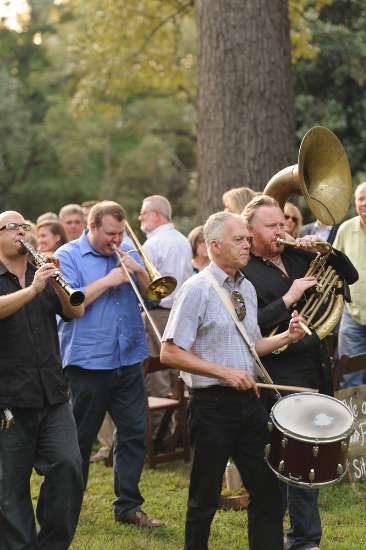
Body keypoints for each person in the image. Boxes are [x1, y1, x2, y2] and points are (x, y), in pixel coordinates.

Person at [160, 211, 308, 550]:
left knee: (269, 490)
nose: (247, 245)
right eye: (238, 240)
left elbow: (251, 345)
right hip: (211, 407)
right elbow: (169, 353)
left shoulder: (247, 287)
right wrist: (223, 372)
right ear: (214, 246)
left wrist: (286, 337)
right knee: (205, 497)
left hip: (249, 404)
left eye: (247, 238)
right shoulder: (196, 290)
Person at [241, 195, 358, 550]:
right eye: (272, 226)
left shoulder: (297, 254)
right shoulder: (243, 270)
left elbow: (348, 275)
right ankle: (277, 537)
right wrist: (289, 298)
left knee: (308, 457)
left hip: (314, 366)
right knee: (282, 458)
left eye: (284, 224)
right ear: (250, 231)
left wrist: (326, 250)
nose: (282, 231)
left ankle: (305, 539)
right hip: (277, 372)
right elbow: (248, 327)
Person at [55, 200, 164, 528]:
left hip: (128, 357)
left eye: (120, 232)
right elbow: (71, 302)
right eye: (109, 233)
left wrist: (141, 272)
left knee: (133, 433)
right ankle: (69, 508)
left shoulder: (129, 247)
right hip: (87, 362)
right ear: (91, 228)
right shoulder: (68, 255)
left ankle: (128, 506)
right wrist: (110, 279)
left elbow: (154, 298)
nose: (116, 239)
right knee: (81, 438)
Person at [0, 210, 84, 549]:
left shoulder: (42, 272)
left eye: (25, 226)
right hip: (8, 397)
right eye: (12, 227)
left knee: (68, 467)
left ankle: (52, 543)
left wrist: (58, 283)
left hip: (52, 392)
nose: (22, 231)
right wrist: (33, 289)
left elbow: (75, 311)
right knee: (11, 486)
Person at [138, 195, 192, 443]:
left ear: (156, 214)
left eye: (143, 213)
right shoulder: (182, 240)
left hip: (158, 312)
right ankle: (177, 431)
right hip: (180, 312)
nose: (139, 218)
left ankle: (160, 436)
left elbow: (146, 286)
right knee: (177, 373)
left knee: (158, 374)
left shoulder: (152, 244)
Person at [333, 182, 366, 387]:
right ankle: (354, 419)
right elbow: (334, 266)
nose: (364, 203)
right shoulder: (346, 229)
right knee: (349, 375)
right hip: (352, 313)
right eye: (360, 199)